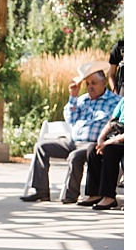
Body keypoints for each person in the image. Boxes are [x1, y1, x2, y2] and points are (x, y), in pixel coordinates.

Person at [21, 63, 122, 203]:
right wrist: (73, 96)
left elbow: (117, 124)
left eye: (94, 83)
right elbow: (70, 119)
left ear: (103, 82)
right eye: (87, 84)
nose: (90, 86)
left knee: (75, 156)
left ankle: (71, 195)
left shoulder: (115, 101)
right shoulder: (82, 100)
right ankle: (41, 191)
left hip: (91, 145)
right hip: (72, 142)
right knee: (41, 147)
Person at [78, 98, 124, 210]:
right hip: (118, 133)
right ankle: (94, 193)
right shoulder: (124, 100)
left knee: (109, 150)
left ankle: (109, 196)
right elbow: (111, 122)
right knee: (93, 149)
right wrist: (101, 138)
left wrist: (110, 142)